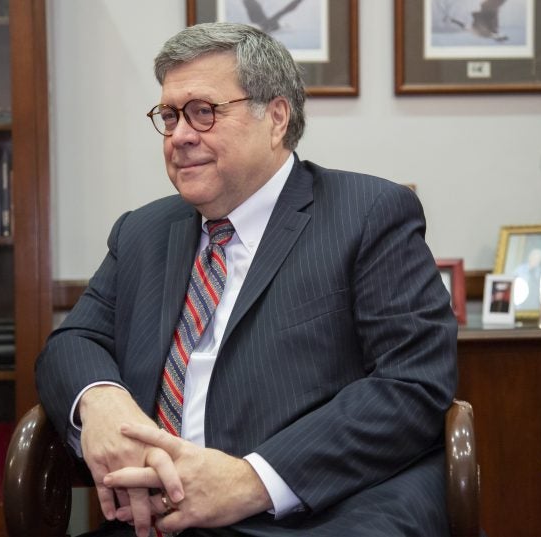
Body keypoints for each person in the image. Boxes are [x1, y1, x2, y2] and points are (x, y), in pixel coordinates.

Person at [35, 22, 457, 537]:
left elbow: (412, 382)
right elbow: (72, 342)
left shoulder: (367, 213)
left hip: (312, 517)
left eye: (203, 112)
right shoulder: (142, 231)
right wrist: (100, 400)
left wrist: (251, 480)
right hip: (153, 523)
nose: (181, 136)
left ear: (275, 117)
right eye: (169, 116)